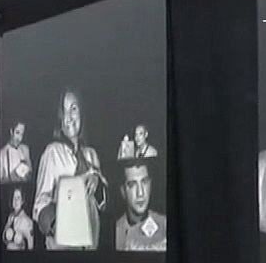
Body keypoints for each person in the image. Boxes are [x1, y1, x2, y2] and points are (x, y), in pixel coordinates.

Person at [32, 88, 107, 249]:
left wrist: (97, 181)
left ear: (81, 112)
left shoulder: (91, 155)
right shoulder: (52, 152)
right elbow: (39, 206)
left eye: (73, 109)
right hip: (63, 249)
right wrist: (57, 224)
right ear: (59, 118)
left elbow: (103, 205)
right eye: (64, 111)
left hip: (92, 247)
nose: (69, 117)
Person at [113, 157, 168, 251]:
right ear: (123, 191)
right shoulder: (116, 232)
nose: (140, 193)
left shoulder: (165, 225)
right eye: (132, 184)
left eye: (144, 182)